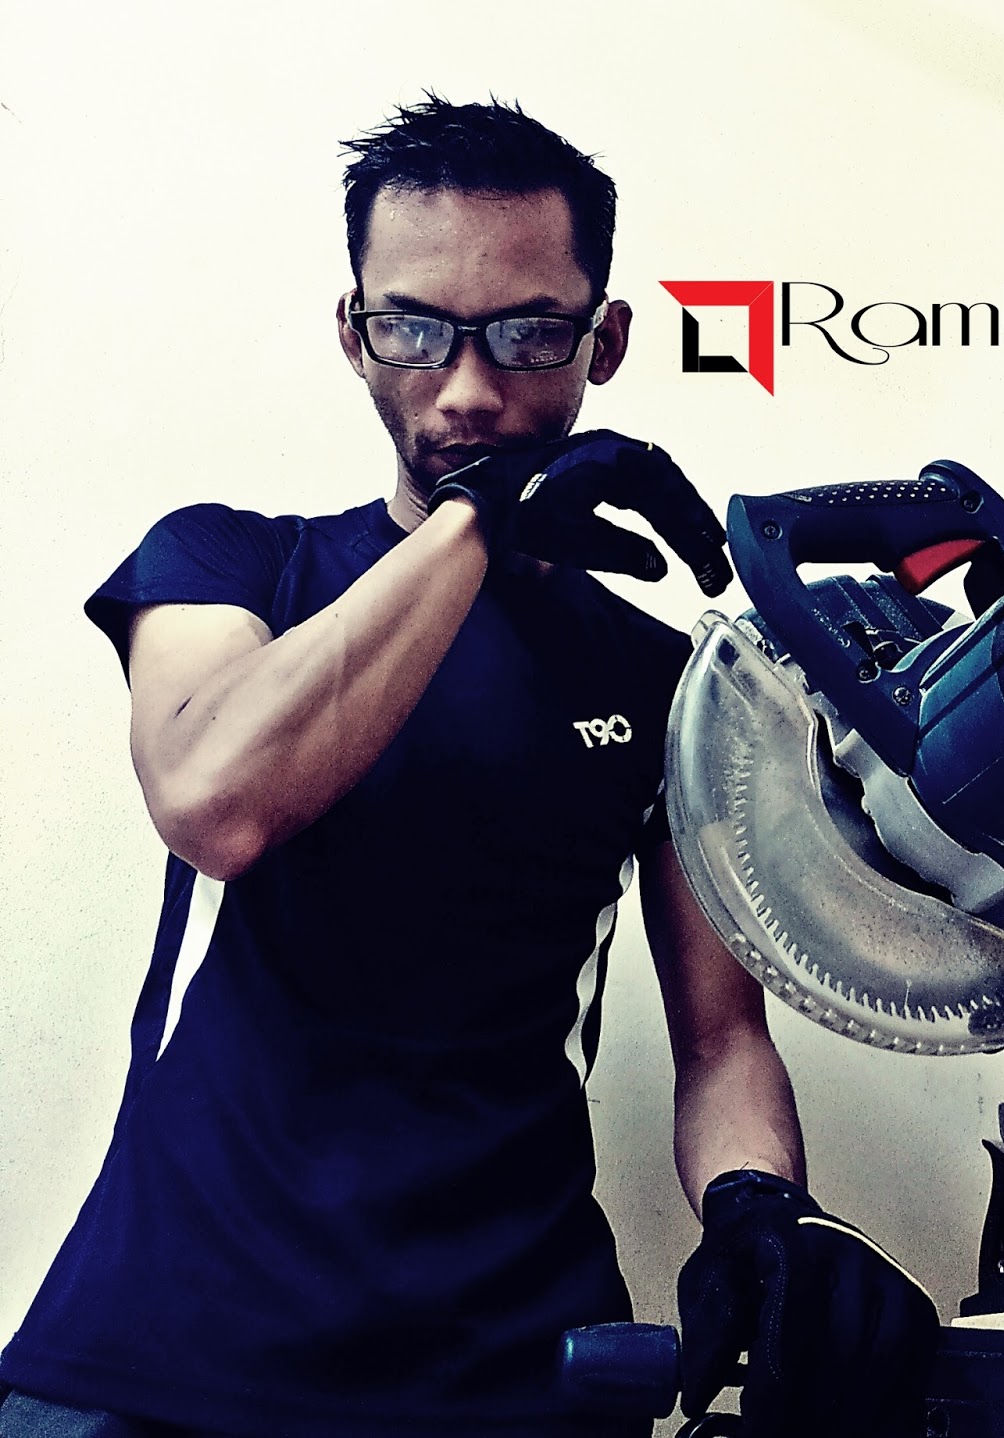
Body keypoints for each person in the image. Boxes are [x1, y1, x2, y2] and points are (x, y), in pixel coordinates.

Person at [0, 97, 936, 1438]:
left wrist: (762, 1210)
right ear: (353, 331)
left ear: (605, 339)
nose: (470, 389)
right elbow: (214, 800)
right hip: (168, 1342)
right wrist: (478, 523)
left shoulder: (663, 680)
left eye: (530, 332)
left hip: (509, 1362)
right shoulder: (232, 564)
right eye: (415, 328)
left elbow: (723, 1039)